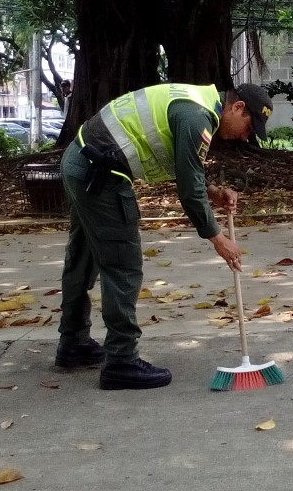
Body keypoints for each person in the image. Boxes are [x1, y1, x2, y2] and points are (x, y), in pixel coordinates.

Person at [56, 82, 274, 390]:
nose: (245, 136)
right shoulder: (197, 115)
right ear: (237, 108)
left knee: (83, 258)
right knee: (123, 265)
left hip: (80, 162)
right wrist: (217, 237)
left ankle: (73, 343)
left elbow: (185, 167)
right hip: (102, 176)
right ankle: (121, 362)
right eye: (248, 127)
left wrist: (211, 191)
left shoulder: (194, 102)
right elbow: (187, 188)